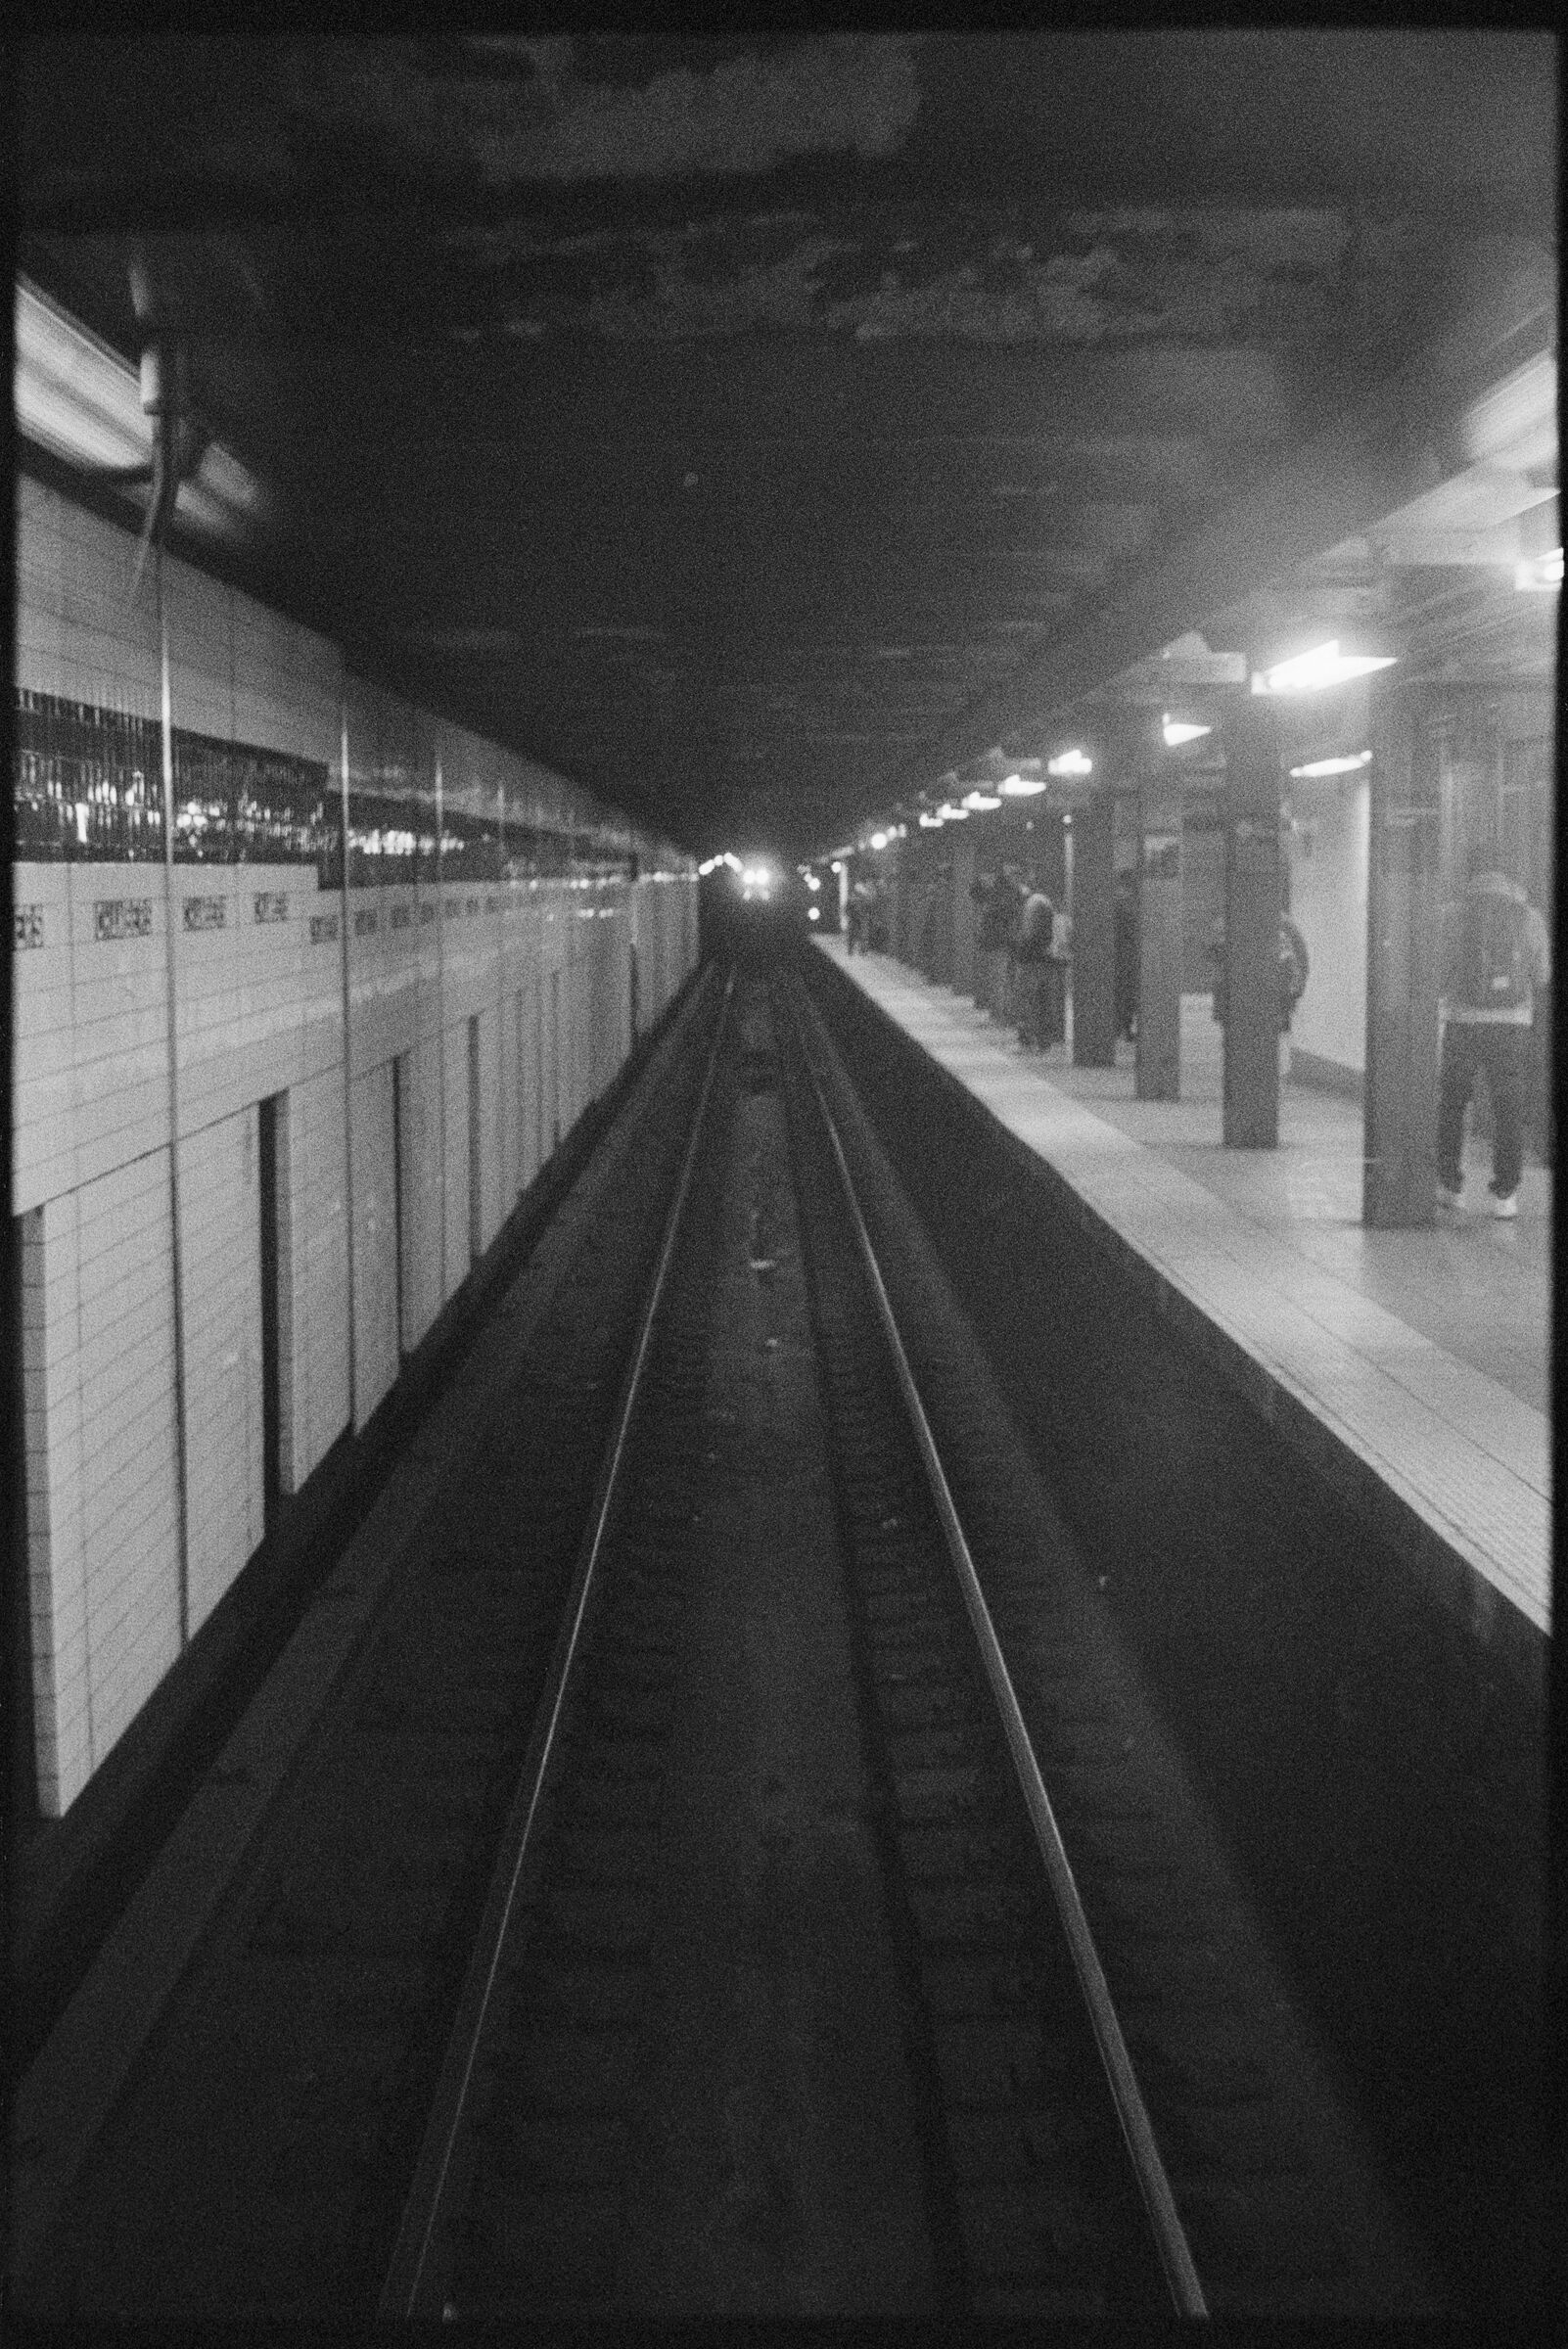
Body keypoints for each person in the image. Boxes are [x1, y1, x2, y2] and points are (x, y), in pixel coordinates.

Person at [1436, 866, 1550, 1220]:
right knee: (1508, 1109)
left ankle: (1450, 1185)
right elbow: (1543, 975)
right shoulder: (1529, 916)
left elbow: (1440, 970)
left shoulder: (1454, 914)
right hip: (1512, 1024)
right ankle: (1506, 1194)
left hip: (1463, 1021)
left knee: (1453, 1104)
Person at [1014, 882, 1055, 1050]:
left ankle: (1027, 1037)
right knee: (1043, 999)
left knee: (1026, 999)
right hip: (1043, 959)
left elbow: (1028, 935)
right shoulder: (1045, 903)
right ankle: (1043, 1039)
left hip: (1028, 959)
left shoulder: (1033, 904)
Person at [1114, 869, 1139, 1041]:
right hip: (1128, 954)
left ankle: (1120, 1027)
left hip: (1121, 954)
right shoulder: (1127, 902)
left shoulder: (1117, 900)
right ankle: (1125, 1027)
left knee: (1122, 993)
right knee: (1128, 994)